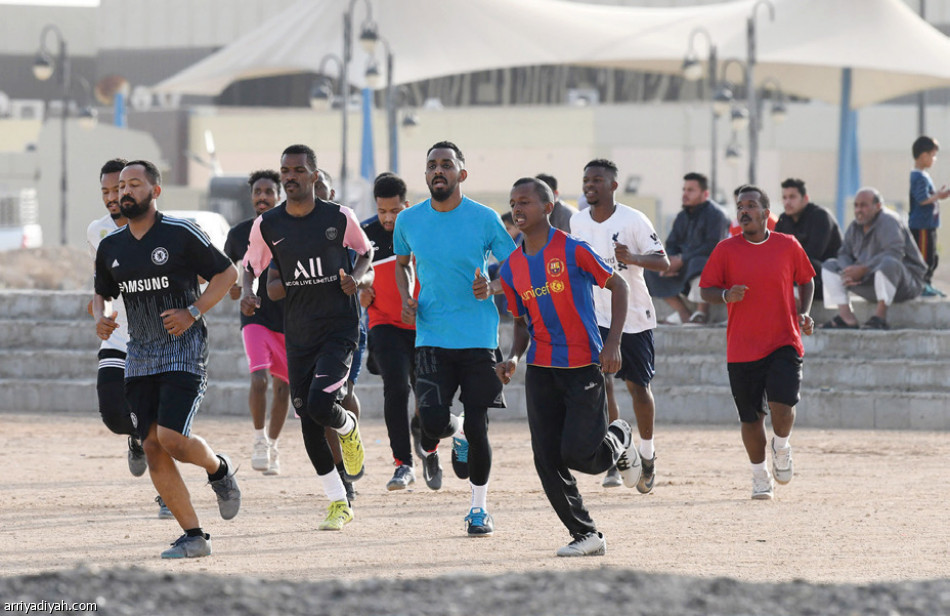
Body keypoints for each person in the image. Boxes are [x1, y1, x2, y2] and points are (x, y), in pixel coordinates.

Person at [93, 159, 241, 558]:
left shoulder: (180, 233)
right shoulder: (111, 246)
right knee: (153, 446)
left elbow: (228, 275)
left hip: (183, 350)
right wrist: (101, 317)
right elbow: (102, 293)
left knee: (171, 438)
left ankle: (219, 469)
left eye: (135, 184)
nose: (125, 191)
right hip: (139, 356)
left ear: (155, 192)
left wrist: (193, 311)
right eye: (121, 186)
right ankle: (194, 536)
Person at [484, 177, 639, 557]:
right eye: (513, 202)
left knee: (582, 455)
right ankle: (586, 535)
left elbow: (619, 286)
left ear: (548, 207)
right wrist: (513, 358)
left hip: (583, 364)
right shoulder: (510, 268)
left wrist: (613, 342)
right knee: (546, 458)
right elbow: (521, 323)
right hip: (541, 370)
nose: (518, 209)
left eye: (526, 202)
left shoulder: (572, 249)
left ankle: (619, 435)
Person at [243, 144, 373, 531]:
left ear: (314, 176)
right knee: (308, 420)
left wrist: (357, 276)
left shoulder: (339, 216)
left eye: (298, 170)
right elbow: (250, 266)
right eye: (286, 170)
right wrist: (249, 291)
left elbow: (364, 251)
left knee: (320, 405)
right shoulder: (268, 225)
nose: (290, 177)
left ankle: (348, 428)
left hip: (339, 328)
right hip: (297, 332)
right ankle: (339, 502)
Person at [393, 140, 516, 536]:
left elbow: (515, 266)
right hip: (430, 335)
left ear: (461, 173)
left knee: (479, 426)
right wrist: (406, 297)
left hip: (479, 337)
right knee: (430, 421)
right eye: (432, 165)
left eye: (447, 164)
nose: (438, 170)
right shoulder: (408, 220)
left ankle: (478, 510)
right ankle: (454, 428)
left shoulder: (483, 218)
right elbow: (402, 265)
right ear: (426, 174)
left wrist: (493, 288)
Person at [699, 184, 815, 500]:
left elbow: (806, 279)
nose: (744, 211)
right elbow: (706, 289)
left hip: (784, 340)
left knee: (783, 405)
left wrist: (803, 313)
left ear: (766, 213)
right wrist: (725, 295)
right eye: (740, 207)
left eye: (750, 206)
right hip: (742, 347)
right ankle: (760, 476)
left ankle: (782, 445)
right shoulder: (725, 249)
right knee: (750, 419)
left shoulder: (787, 245)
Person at [569, 159, 669, 491]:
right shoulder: (577, 221)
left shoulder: (634, 220)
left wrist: (633, 258)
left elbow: (663, 261)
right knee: (603, 382)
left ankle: (647, 453)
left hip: (634, 316)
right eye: (586, 180)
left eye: (597, 180)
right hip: (595, 315)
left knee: (638, 387)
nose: (589, 185)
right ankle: (615, 453)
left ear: (613, 185)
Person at [86, 158, 170, 519]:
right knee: (115, 416)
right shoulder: (97, 232)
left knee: (164, 425)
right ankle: (136, 438)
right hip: (119, 336)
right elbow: (99, 288)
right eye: (106, 191)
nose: (112, 197)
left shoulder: (163, 229)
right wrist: (100, 314)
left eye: (118, 189)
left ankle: (168, 491)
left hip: (158, 339)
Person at [360, 172, 441, 491]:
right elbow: (361, 273)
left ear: (406, 205)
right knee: (395, 388)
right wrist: (362, 292)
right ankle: (402, 464)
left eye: (394, 211)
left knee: (428, 396)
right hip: (384, 324)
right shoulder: (365, 234)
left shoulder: (423, 229)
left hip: (424, 324)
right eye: (382, 211)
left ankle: (428, 444)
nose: (388, 218)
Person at [224, 170, 289, 475]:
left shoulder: (292, 228)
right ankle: (259, 440)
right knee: (259, 379)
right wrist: (233, 289)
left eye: (268, 191)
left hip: (289, 317)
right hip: (254, 315)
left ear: (279, 195)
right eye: (257, 192)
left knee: (283, 388)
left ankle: (274, 445)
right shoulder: (238, 234)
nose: (262, 197)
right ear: (251, 197)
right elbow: (225, 273)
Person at [313, 167, 362, 502]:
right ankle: (340, 470)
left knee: (339, 395)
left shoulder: (343, 223)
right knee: (318, 407)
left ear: (331, 193)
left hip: (344, 328)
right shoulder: (286, 227)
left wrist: (358, 280)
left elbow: (367, 263)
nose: (314, 192)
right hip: (305, 330)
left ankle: (346, 470)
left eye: (321, 187)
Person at [821, 188, 927, 330]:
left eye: (864, 205)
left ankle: (879, 318)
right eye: (856, 205)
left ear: (878, 206)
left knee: (889, 262)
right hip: (870, 282)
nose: (859, 210)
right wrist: (848, 271)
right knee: (830, 266)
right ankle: (847, 318)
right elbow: (844, 253)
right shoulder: (855, 226)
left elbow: (894, 253)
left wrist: (864, 269)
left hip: (905, 284)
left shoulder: (889, 221)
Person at [645, 172, 729, 325]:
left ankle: (701, 312)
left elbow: (713, 246)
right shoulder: (682, 217)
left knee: (700, 262)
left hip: (704, 265)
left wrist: (682, 259)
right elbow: (671, 243)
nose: (685, 194)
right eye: (684, 190)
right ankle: (683, 312)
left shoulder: (717, 215)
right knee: (649, 267)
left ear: (705, 193)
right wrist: (669, 262)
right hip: (682, 267)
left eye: (691, 190)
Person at [774, 178, 842, 301]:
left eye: (792, 197)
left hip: (825, 277)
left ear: (805, 198)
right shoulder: (784, 219)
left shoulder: (820, 216)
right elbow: (773, 251)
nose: (787, 202)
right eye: (784, 198)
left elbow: (813, 253)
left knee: (804, 263)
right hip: (794, 275)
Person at [908, 136, 950, 296]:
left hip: (928, 225)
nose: (934, 159)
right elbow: (922, 199)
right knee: (924, 257)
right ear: (924, 155)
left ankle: (928, 284)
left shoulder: (923, 176)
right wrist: (938, 196)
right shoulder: (918, 177)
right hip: (921, 226)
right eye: (932, 155)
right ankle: (921, 285)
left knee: (932, 257)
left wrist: (938, 195)